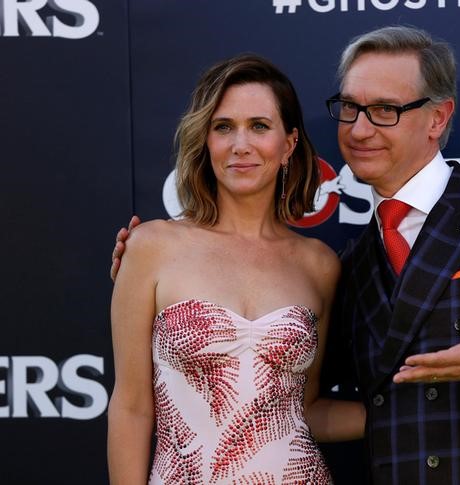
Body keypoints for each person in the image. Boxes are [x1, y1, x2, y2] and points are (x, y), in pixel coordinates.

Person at [113, 27, 460, 484]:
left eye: (386, 110)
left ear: (438, 118)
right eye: (350, 109)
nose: (360, 129)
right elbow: (316, 404)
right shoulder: (351, 262)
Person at [107, 53, 364, 485]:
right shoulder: (152, 247)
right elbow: (132, 407)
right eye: (223, 127)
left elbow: (307, 409)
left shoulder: (318, 264)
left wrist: (410, 414)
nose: (240, 144)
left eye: (259, 126)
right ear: (205, 141)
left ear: (289, 144)